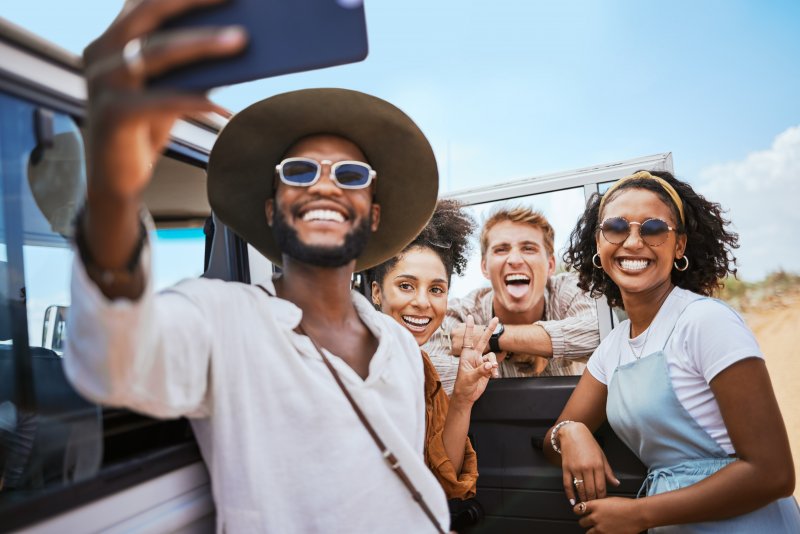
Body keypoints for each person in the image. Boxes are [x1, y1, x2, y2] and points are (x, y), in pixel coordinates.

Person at [63, 1, 452, 531]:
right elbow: (114, 361)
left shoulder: (400, 347)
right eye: (299, 170)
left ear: (374, 212)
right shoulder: (221, 318)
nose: (323, 183)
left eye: (352, 175)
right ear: (272, 209)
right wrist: (112, 191)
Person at [544, 170, 799, 533]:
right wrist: (570, 433)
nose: (633, 242)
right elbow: (553, 445)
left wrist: (639, 515)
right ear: (598, 245)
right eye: (616, 227)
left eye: (652, 229)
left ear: (679, 245)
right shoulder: (613, 349)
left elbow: (773, 473)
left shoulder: (705, 321)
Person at [366, 199, 498, 501]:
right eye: (406, 286)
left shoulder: (420, 366)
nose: (423, 302)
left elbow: (443, 480)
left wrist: (463, 399)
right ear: (376, 292)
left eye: (436, 289)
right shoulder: (358, 361)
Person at [424, 206, 600, 390]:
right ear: (484, 267)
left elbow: (599, 334)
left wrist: (494, 338)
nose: (515, 259)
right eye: (501, 249)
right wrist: (493, 362)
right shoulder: (462, 313)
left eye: (528, 248)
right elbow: (428, 374)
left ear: (550, 265)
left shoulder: (570, 289)